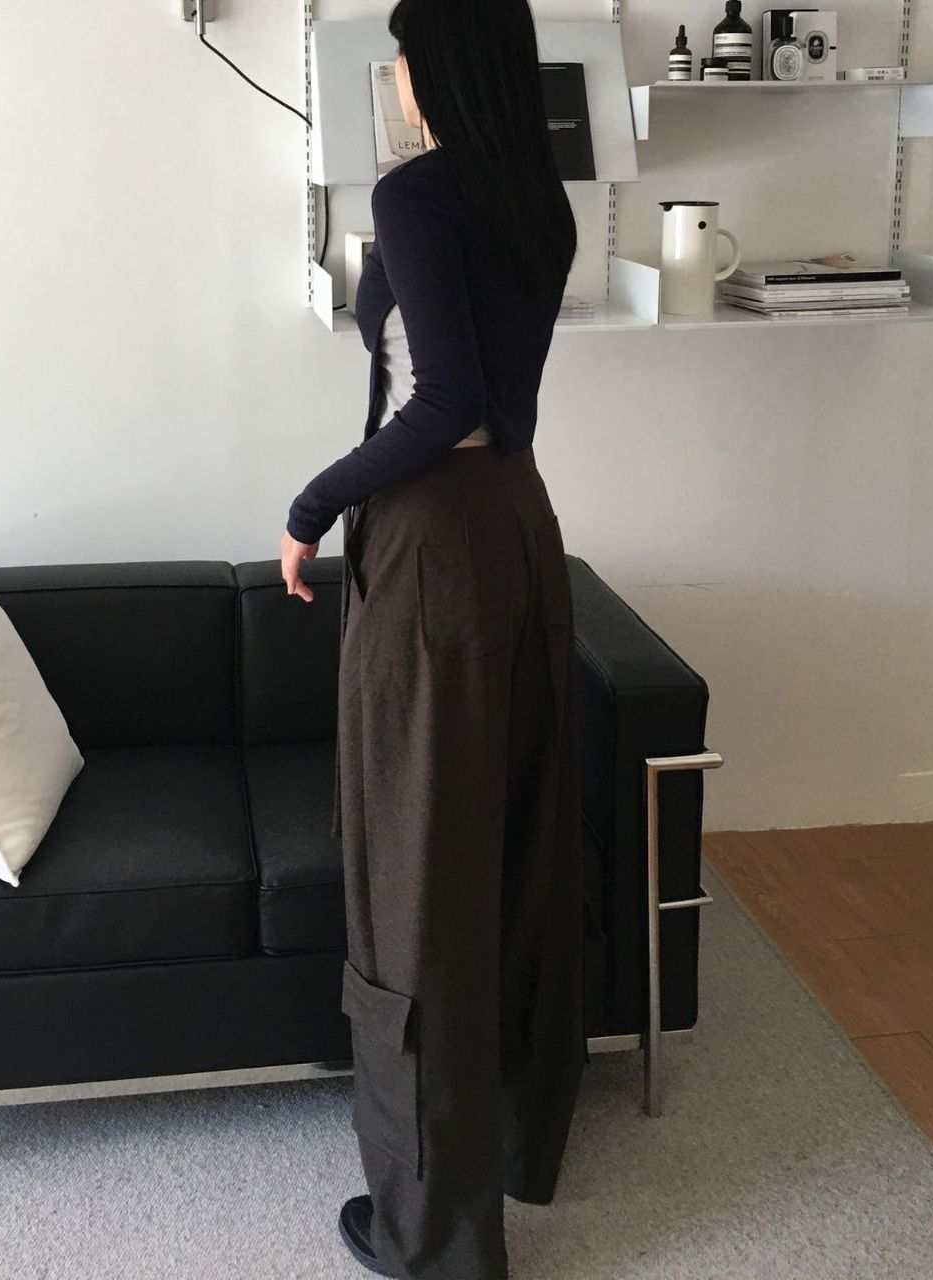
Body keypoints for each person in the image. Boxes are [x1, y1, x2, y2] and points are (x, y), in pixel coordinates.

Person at [280, 2, 585, 1276]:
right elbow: (483, 392)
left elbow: (440, 397)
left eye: (405, 52)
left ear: (435, 68)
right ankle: (513, 1143)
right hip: (518, 525)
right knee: (511, 850)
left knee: (413, 881)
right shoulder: (541, 199)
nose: (396, 73)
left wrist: (312, 503)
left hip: (433, 548)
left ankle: (434, 1237)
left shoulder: (417, 195)